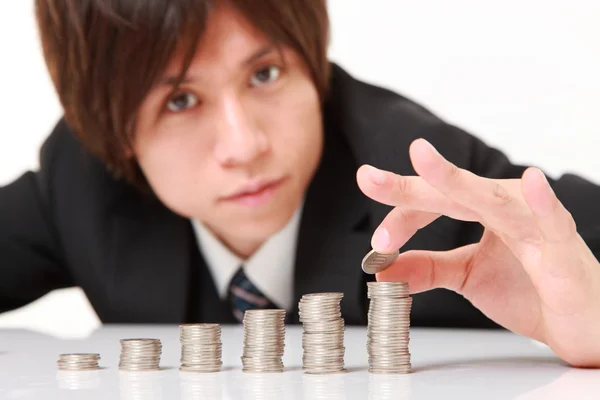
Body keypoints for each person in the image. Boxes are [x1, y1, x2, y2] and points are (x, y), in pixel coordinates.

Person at [1, 0, 599, 367]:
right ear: (115, 134)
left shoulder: (415, 172)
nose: (245, 145)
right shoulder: (79, 184)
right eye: (181, 100)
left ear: (313, 68)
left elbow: (570, 236)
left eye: (264, 73)